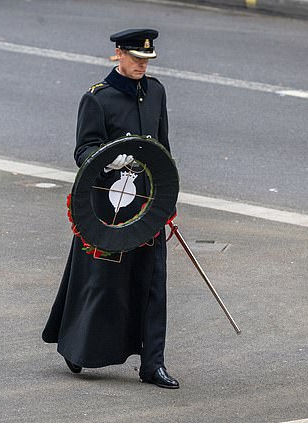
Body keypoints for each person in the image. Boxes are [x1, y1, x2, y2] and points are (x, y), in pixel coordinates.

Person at [42, 28, 179, 389]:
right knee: (100, 283)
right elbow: (83, 151)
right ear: (117, 54)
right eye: (135, 58)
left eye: (147, 60)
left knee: (152, 283)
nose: (141, 66)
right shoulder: (97, 99)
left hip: (147, 206)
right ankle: (75, 347)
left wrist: (168, 201)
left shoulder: (157, 92)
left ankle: (153, 364)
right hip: (107, 208)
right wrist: (108, 159)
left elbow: (163, 148)